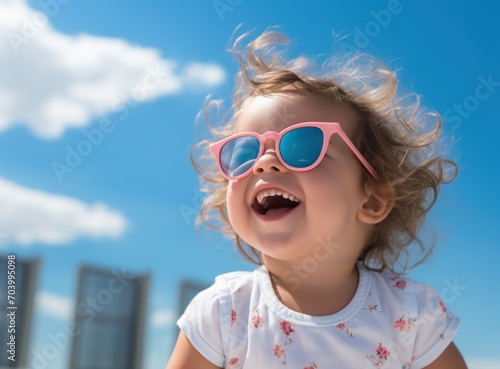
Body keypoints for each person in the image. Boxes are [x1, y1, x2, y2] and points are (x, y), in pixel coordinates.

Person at [166, 30, 467, 369]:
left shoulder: (411, 312)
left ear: (371, 201)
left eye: (302, 146)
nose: (264, 162)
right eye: (244, 154)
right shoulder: (222, 313)